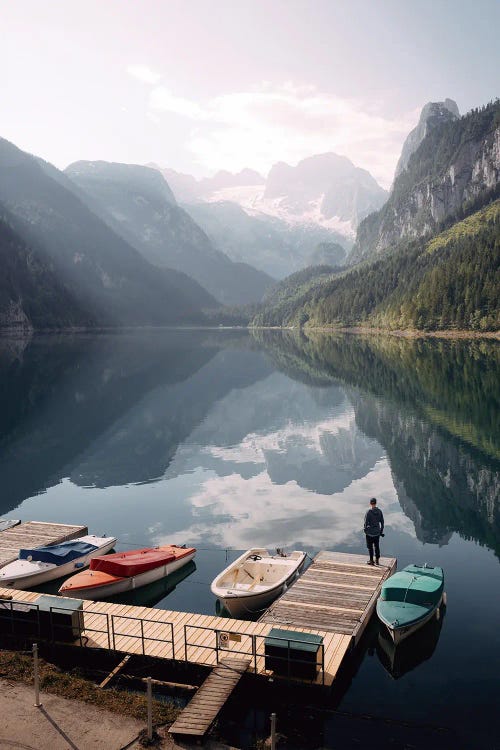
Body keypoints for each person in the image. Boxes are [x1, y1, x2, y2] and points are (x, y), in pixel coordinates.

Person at [364, 497, 384, 565]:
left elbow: (365, 523)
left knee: (370, 547)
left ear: (370, 503)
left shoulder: (369, 512)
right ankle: (377, 560)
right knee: (377, 546)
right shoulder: (380, 511)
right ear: (376, 503)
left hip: (369, 533)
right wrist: (380, 532)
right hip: (377, 533)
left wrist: (365, 531)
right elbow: (382, 523)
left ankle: (371, 561)